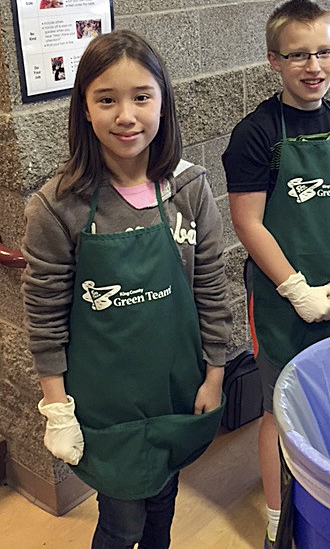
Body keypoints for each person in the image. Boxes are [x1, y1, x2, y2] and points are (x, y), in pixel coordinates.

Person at [22, 29, 232, 549]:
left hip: (176, 389)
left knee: (163, 505)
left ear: (163, 101)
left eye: (142, 96)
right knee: (122, 524)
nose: (126, 115)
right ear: (84, 110)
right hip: (104, 406)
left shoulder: (189, 188)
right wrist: (58, 410)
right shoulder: (57, 206)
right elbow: (44, 318)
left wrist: (214, 375)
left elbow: (212, 287)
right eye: (106, 99)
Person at [222, 0, 330, 548]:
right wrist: (295, 290)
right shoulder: (255, 133)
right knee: (279, 407)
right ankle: (275, 514)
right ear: (273, 60)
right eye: (297, 55)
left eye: (324, 51)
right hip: (279, 301)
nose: (314, 66)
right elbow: (249, 222)